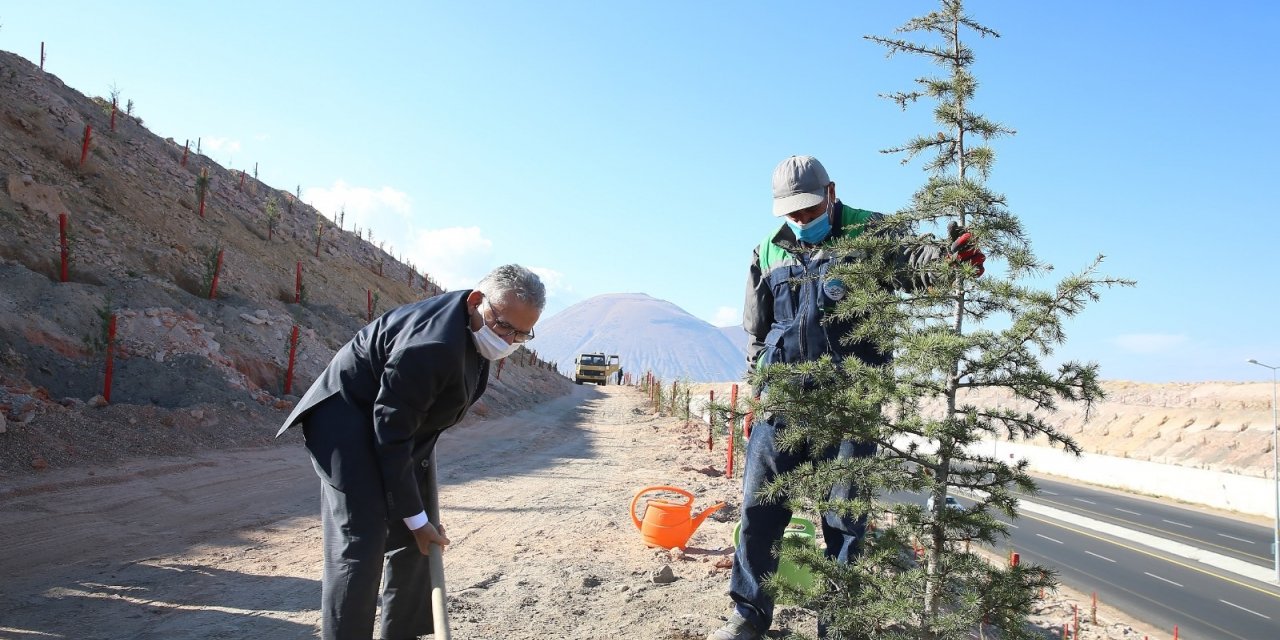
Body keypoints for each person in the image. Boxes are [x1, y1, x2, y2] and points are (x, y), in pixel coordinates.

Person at [708, 156, 983, 640]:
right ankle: (749, 615)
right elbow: (758, 334)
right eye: (791, 213)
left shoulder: (870, 232)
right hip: (784, 403)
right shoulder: (767, 253)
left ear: (831, 193)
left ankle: (837, 626)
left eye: (809, 210)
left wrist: (947, 259)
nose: (800, 220)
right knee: (759, 512)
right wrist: (758, 399)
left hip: (850, 405)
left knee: (844, 519)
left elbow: (915, 266)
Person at [277, 264, 545, 640]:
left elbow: (410, 424)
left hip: (401, 425)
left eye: (522, 334)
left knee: (419, 536)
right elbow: (390, 438)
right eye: (503, 327)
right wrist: (414, 516)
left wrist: (417, 518)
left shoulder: (475, 323)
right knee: (361, 543)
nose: (509, 340)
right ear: (475, 301)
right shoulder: (430, 348)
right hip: (347, 424)